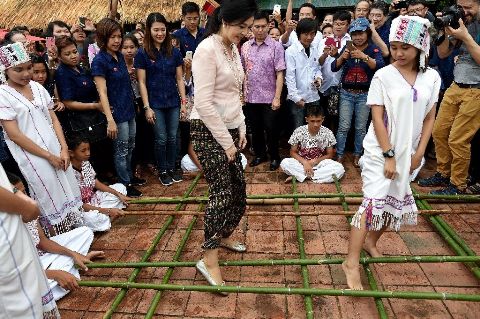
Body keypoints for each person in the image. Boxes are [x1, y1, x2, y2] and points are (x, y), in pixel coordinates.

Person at [342, 16, 440, 290]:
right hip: (380, 151)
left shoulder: (431, 77)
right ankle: (350, 262)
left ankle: (372, 241)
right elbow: (376, 114)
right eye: (394, 46)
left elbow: (430, 117)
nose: (397, 53)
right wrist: (388, 155)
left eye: (404, 47)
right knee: (372, 202)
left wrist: (420, 153)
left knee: (395, 198)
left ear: (420, 47)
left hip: (410, 153)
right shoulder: (383, 75)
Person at [190, 0, 257, 292]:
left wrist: (241, 127)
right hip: (207, 129)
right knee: (221, 192)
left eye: (248, 27)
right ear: (225, 21)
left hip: (228, 127)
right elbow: (203, 103)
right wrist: (227, 142)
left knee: (239, 193)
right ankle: (208, 258)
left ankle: (223, 233)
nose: (246, 32)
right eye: (242, 26)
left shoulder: (233, 49)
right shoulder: (207, 50)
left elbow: (236, 92)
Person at [0, 42, 83, 236]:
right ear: (5, 70)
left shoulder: (37, 87)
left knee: (67, 184)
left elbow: (53, 118)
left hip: (55, 147)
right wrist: (48, 156)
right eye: (18, 70)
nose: (26, 73)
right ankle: (58, 236)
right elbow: (15, 135)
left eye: (28, 67)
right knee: (48, 192)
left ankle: (75, 229)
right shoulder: (3, 95)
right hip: (33, 156)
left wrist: (63, 148)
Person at [6, 171, 104, 301]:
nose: (25, 197)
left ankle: (70, 269)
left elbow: (42, 242)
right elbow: (13, 274)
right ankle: (67, 273)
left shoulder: (27, 208)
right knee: (28, 294)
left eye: (24, 192)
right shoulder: (5, 225)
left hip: (40, 258)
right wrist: (54, 274)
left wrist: (73, 254)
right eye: (18, 194)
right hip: (24, 273)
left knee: (84, 232)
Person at [418, 0, 480, 195]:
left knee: (458, 139)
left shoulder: (471, 27)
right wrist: (445, 30)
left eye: (468, 7)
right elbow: (443, 53)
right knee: (439, 131)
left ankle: (457, 184)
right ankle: (443, 173)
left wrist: (466, 37)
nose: (464, 11)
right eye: (461, 6)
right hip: (456, 84)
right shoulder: (461, 21)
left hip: (476, 89)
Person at [0, 163, 60, 318]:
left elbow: (43, 240)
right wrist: (27, 206)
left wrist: (73, 254)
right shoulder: (19, 205)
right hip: (11, 254)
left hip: (30, 257)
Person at [91, 18, 143, 197]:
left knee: (130, 145)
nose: (117, 40)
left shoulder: (119, 56)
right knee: (120, 150)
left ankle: (129, 176)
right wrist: (109, 119)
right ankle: (125, 183)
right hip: (116, 113)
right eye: (112, 37)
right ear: (103, 38)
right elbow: (102, 92)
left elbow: (126, 82)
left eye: (119, 36)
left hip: (128, 109)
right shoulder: (99, 61)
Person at [135, 13, 187, 186]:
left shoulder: (174, 52)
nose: (160, 33)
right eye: (156, 29)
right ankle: (163, 169)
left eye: (163, 29)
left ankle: (173, 167)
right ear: (149, 31)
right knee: (161, 138)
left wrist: (184, 103)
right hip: (155, 103)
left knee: (173, 137)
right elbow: (141, 82)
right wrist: (147, 107)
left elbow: (179, 79)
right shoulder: (142, 53)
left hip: (173, 101)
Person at [54, 36, 114, 179]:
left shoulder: (82, 69)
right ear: (59, 56)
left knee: (102, 150)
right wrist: (95, 105)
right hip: (79, 121)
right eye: (67, 54)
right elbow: (68, 103)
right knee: (89, 154)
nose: (73, 56)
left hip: (94, 117)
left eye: (74, 51)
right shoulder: (62, 73)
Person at [332, 17, 385, 167]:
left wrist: (365, 57)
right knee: (343, 126)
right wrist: (342, 57)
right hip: (346, 93)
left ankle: (357, 154)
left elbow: (381, 66)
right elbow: (333, 67)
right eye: (354, 34)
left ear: (367, 33)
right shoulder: (347, 48)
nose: (358, 37)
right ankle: (340, 154)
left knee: (361, 128)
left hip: (365, 94)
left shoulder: (373, 49)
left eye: (361, 33)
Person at [241, 11, 286, 171]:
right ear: (251, 28)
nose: (260, 30)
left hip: (269, 97)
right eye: (256, 27)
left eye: (263, 26)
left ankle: (274, 156)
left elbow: (280, 73)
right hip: (251, 97)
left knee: (272, 129)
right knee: (255, 128)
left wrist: (277, 97)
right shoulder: (245, 47)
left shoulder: (276, 46)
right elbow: (242, 71)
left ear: (269, 25)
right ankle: (260, 155)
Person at [69, 137, 130, 231]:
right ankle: (108, 214)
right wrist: (108, 211)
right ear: (71, 153)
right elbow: (79, 205)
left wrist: (118, 194)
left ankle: (107, 215)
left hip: (95, 200)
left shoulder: (86, 163)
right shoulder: (67, 173)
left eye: (88, 149)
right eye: (83, 150)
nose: (88, 153)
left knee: (120, 187)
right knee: (93, 219)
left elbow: (96, 183)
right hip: (82, 210)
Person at [280, 104, 345, 183]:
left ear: (323, 119)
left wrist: (315, 161)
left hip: (319, 164)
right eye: (312, 121)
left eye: (318, 121)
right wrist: (305, 163)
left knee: (339, 168)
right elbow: (292, 152)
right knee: (285, 163)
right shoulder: (299, 131)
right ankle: (316, 177)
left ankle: (301, 176)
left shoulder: (328, 132)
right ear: (306, 119)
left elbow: (330, 155)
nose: (316, 124)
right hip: (301, 163)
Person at [285, 18, 323, 130]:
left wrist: (318, 79)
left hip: (314, 96)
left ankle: (313, 148)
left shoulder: (314, 49)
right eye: (306, 34)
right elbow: (289, 76)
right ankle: (297, 148)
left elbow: (317, 68)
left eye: (312, 34)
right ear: (299, 34)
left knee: (314, 128)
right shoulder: (291, 51)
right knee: (299, 129)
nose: (309, 37)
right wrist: (296, 98)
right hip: (298, 98)